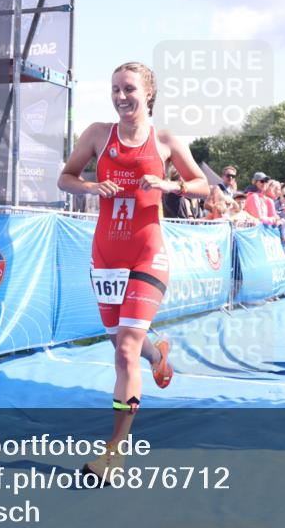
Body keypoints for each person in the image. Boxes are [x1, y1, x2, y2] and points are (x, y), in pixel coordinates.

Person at [57, 61, 208, 480]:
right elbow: (65, 177)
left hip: (147, 253)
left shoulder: (164, 141)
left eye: (130, 90)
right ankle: (159, 353)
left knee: (125, 349)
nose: (121, 97)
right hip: (105, 256)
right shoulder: (96, 135)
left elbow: (201, 185)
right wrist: (90, 187)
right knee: (123, 344)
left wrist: (170, 185)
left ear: (148, 94)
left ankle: (115, 453)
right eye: (115, 90)